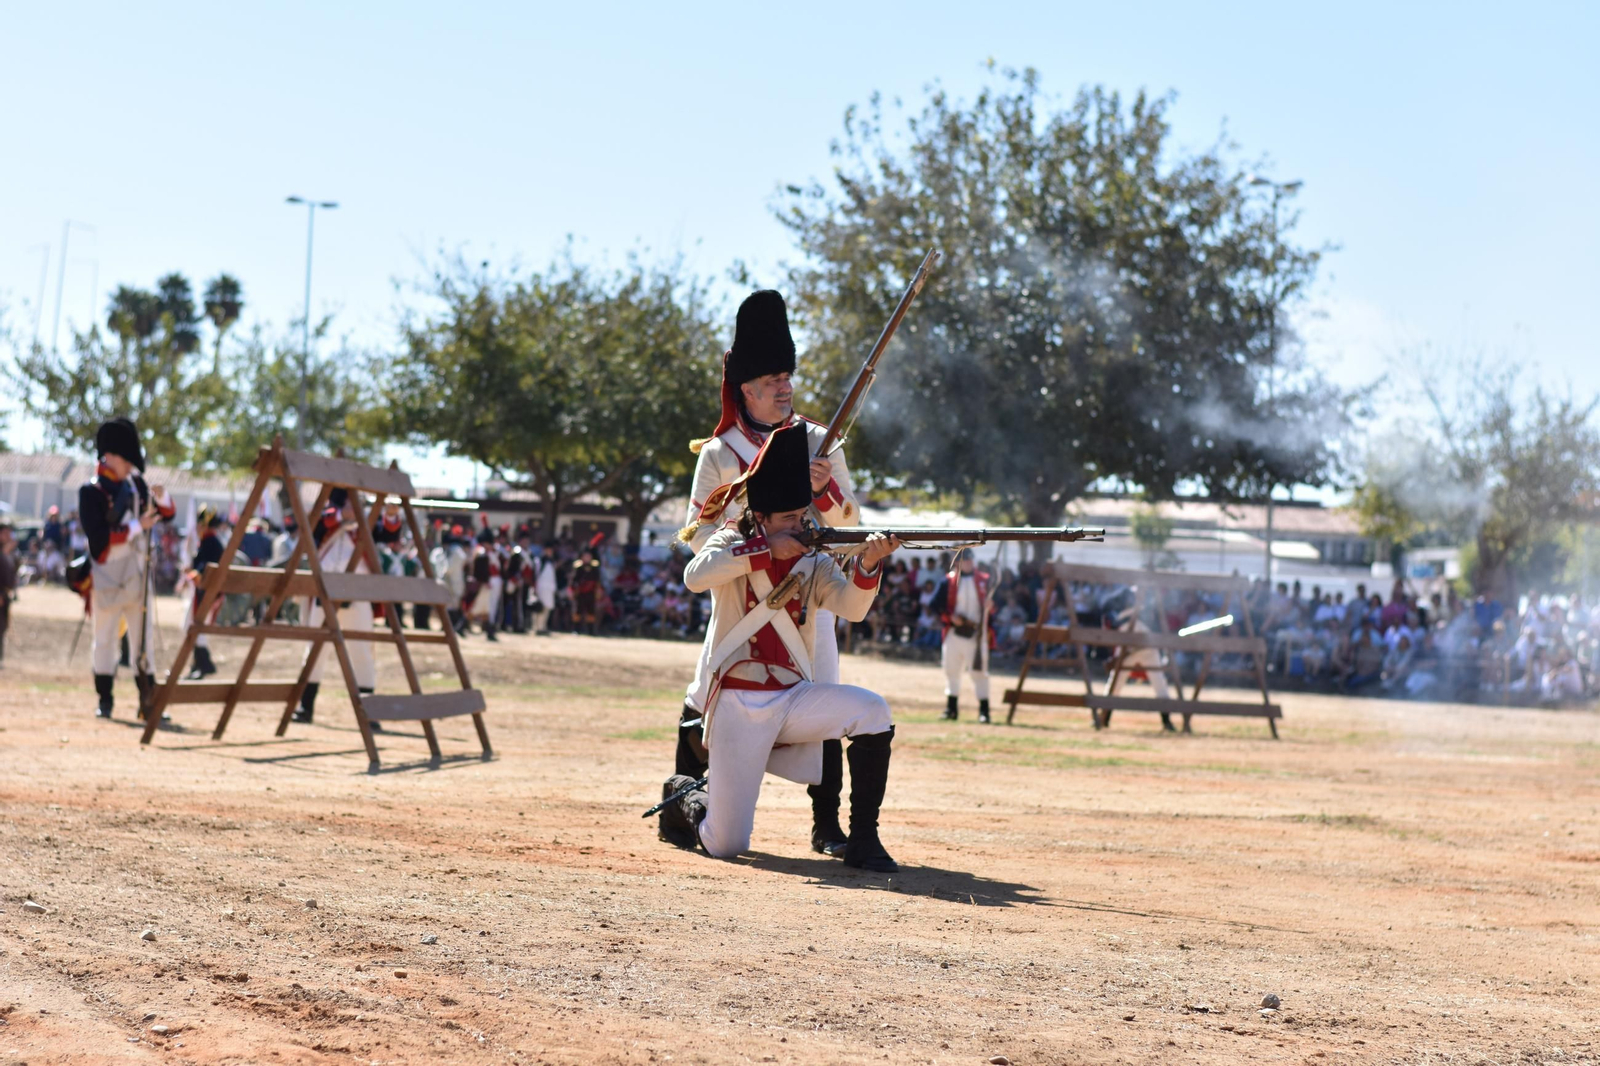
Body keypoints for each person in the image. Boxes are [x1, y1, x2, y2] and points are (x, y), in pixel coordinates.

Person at [657, 423, 902, 870]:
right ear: (763, 517)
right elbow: (696, 575)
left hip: (792, 698)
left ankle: (864, 837)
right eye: (788, 518)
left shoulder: (814, 558)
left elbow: (852, 608)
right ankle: (682, 796)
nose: (801, 525)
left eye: (802, 515)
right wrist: (766, 550)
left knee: (873, 711)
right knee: (726, 843)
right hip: (736, 703)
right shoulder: (734, 542)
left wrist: (868, 563)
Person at [672, 289, 864, 858]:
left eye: (787, 374)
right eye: (772, 377)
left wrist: (822, 489)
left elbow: (851, 525)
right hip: (741, 594)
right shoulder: (719, 454)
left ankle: (827, 825)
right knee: (704, 688)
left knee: (826, 697)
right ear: (746, 388)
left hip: (806, 593)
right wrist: (757, 535)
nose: (785, 385)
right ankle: (685, 800)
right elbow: (699, 538)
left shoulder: (817, 442)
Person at [81, 418, 175, 719]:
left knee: (143, 640)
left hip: (138, 573)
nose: (130, 468)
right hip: (108, 573)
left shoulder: (136, 486)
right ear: (109, 456)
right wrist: (137, 526)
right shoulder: (91, 492)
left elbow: (165, 515)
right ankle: (105, 700)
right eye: (125, 460)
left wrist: (161, 498)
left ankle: (148, 701)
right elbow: (99, 540)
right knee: (105, 638)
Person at [294, 489, 378, 725]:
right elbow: (317, 529)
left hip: (357, 590)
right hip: (326, 590)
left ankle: (369, 711)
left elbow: (387, 533)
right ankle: (306, 706)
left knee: (361, 649)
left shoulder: (366, 521)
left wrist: (390, 513)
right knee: (315, 649)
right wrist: (343, 515)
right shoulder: (326, 516)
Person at [936, 553, 995, 722]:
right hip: (954, 632)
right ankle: (951, 709)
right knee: (951, 670)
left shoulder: (984, 580)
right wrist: (950, 617)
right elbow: (937, 604)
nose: (967, 563)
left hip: (977, 633)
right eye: (964, 560)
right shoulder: (948, 581)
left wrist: (991, 606)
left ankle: (984, 711)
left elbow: (994, 606)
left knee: (979, 672)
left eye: (969, 560)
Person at [185, 505, 227, 679]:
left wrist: (192, 572)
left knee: (195, 628)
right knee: (191, 628)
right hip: (206, 593)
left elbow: (205, 570)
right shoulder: (211, 541)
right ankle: (199, 665)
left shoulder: (211, 542)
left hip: (207, 594)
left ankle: (204, 665)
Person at [0, 520, 17, 667]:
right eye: (5, 533)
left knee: (3, 626)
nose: (8, 536)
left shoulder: (8, 552)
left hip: (5, 595)